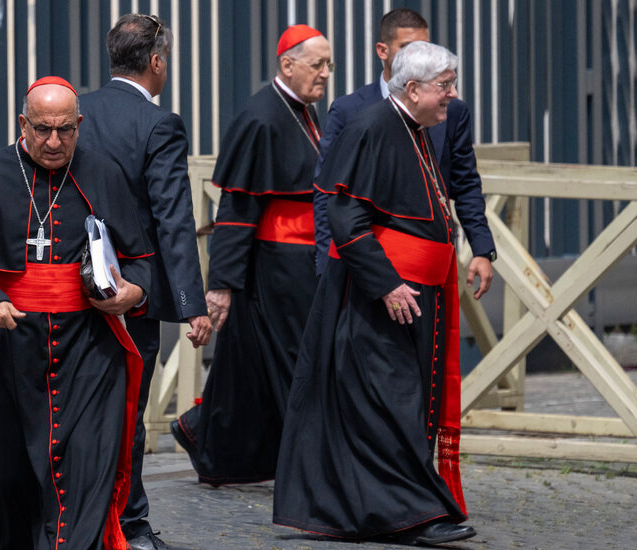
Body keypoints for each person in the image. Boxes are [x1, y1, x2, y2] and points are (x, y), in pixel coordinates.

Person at [0, 77, 154, 550]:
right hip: (9, 345)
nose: (53, 142)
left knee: (88, 465)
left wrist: (134, 292)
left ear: (79, 125)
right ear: (22, 124)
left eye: (65, 130)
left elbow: (142, 258)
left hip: (89, 347)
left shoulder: (104, 174)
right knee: (6, 474)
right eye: (42, 129)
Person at [273, 41, 479, 545]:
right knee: (391, 404)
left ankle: (382, 510)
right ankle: (412, 515)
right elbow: (346, 216)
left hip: (413, 296)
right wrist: (386, 283)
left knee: (398, 404)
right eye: (444, 87)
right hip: (379, 298)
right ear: (413, 88)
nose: (451, 96)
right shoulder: (371, 126)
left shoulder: (413, 127)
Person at [169, 25, 330, 486]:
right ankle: (311, 474)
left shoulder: (303, 111)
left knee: (247, 367)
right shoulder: (261, 117)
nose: (325, 74)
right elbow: (238, 207)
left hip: (299, 260)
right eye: (317, 64)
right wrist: (221, 283)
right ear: (287, 64)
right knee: (298, 363)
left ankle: (206, 437)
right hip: (277, 264)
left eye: (328, 64)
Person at [77, 14, 212, 550]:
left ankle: (78, 518)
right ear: (156, 62)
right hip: (132, 293)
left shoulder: (76, 110)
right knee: (128, 412)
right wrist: (189, 303)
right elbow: (173, 219)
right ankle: (128, 526)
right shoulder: (160, 124)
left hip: (69, 286)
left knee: (79, 407)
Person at [313, 7, 496, 290]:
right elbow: (329, 197)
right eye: (408, 47)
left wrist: (482, 248)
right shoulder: (351, 111)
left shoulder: (452, 111)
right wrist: (327, 267)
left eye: (424, 47)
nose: (417, 56)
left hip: (433, 266)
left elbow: (466, 184)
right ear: (382, 50)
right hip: (371, 267)